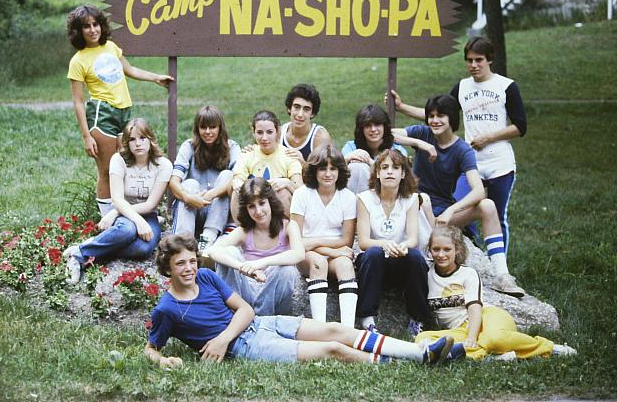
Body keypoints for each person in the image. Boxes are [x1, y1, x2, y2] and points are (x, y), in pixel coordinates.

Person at [144, 233, 455, 366]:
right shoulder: (167, 309)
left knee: (337, 330)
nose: (189, 268)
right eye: (180, 264)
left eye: (192, 261)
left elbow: (246, 310)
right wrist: (164, 360)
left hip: (260, 324)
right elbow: (150, 349)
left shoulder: (206, 277)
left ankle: (420, 352)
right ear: (167, 268)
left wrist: (222, 339)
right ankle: (407, 361)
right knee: (334, 349)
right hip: (247, 346)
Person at [389, 36, 527, 253]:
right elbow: (439, 114)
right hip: (470, 161)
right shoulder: (463, 87)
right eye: (469, 60)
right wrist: (402, 107)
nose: (474, 65)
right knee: (460, 207)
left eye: (479, 60)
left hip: (499, 162)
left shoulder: (507, 86)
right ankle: (472, 250)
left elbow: (520, 126)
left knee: (497, 214)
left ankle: (499, 262)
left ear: (490, 59)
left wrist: (488, 138)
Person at [392, 94, 525, 298]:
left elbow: (478, 190)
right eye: (431, 116)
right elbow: (388, 134)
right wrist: (422, 145)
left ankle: (502, 275)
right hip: (415, 208)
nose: (434, 121)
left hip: (443, 214)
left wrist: (451, 211)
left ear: (452, 118)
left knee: (488, 205)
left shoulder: (462, 149)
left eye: (440, 116)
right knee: (422, 203)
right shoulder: (423, 133)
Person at [67, 5, 173, 216]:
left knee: (123, 167)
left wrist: (155, 78)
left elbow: (130, 69)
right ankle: (108, 218)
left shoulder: (111, 47)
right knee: (108, 170)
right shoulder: (78, 60)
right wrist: (86, 136)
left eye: (95, 24)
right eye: (86, 26)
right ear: (79, 31)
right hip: (102, 115)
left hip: (124, 113)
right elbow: (78, 102)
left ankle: (125, 213)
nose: (93, 30)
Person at [415, 225, 577, 361]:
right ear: (429, 250)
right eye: (436, 249)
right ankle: (493, 355)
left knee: (493, 338)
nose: (441, 254)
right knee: (422, 339)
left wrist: (471, 337)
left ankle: (548, 347)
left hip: (487, 317)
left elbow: (475, 309)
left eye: (447, 249)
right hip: (459, 330)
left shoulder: (467, 274)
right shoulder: (426, 273)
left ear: (457, 249)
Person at [64, 118, 172, 283]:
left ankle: (95, 244)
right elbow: (117, 199)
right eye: (132, 140)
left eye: (142, 138)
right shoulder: (119, 160)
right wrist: (134, 219)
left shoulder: (163, 165)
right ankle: (78, 256)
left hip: (147, 215)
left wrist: (115, 213)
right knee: (127, 230)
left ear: (151, 139)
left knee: (143, 248)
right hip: (124, 214)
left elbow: (151, 204)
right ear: (127, 143)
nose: (138, 144)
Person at [355, 149, 432, 337]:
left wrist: (402, 247)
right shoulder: (364, 198)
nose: (390, 172)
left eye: (396, 168)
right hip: (375, 263)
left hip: (400, 259)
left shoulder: (411, 199)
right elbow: (363, 241)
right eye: (385, 167)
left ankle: (418, 319)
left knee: (415, 256)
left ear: (403, 173)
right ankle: (367, 318)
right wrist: (383, 244)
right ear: (378, 173)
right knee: (373, 252)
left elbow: (413, 239)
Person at [208, 178, 304, 316]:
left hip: (274, 295)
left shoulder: (289, 225)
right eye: (251, 206)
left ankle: (261, 319)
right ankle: (236, 313)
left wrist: (260, 263)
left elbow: (299, 254)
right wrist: (244, 267)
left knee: (288, 270)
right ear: (246, 209)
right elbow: (213, 250)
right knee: (230, 251)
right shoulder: (244, 231)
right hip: (246, 291)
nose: (258, 211)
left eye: (262, 203)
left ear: (270, 201)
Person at [290, 144, 358, 327]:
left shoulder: (348, 197)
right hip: (307, 256)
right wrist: (332, 251)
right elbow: (297, 242)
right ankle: (319, 328)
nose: (328, 174)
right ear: (314, 170)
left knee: (346, 265)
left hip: (336, 256)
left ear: (340, 171)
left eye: (333, 168)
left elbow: (346, 241)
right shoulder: (301, 194)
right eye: (322, 168)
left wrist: (316, 244)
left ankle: (348, 329)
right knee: (319, 262)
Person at [170, 106, 241, 255]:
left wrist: (212, 194)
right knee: (190, 184)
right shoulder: (189, 146)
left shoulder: (232, 147)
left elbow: (239, 178)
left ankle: (207, 239)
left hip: (218, 211)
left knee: (228, 176)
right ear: (197, 129)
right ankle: (183, 242)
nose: (208, 132)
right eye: (203, 127)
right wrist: (187, 197)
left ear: (220, 128)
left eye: (212, 127)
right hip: (192, 207)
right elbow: (173, 181)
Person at [231, 110, 303, 218]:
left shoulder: (289, 156)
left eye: (269, 132)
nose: (264, 138)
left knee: (283, 192)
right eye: (260, 132)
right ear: (253, 132)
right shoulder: (248, 154)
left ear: (278, 131)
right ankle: (242, 227)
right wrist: (238, 183)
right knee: (236, 192)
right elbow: (237, 179)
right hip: (254, 208)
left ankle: (284, 227)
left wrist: (287, 183)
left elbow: (301, 191)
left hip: (278, 209)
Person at [341, 104, 407, 194]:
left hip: (387, 195)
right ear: (361, 129)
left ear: (384, 126)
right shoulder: (350, 147)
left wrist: (370, 162)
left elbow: (403, 177)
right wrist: (347, 159)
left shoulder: (397, 150)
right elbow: (337, 172)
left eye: (377, 124)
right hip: (354, 195)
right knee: (357, 166)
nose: (373, 129)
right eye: (368, 125)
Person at [281, 84, 332, 163]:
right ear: (289, 109)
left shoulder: (320, 138)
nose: (300, 114)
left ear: (312, 113)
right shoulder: (278, 134)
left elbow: (328, 169)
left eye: (306, 109)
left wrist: (303, 164)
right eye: (296, 107)